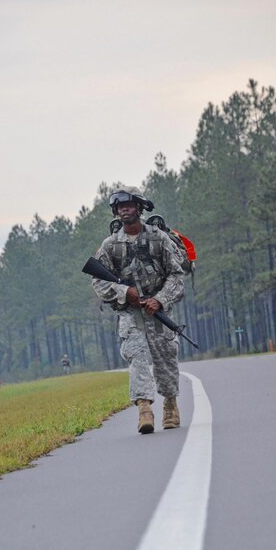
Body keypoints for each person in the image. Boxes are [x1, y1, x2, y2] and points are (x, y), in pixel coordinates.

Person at [91, 186, 185, 434]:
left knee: (166, 361)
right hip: (131, 316)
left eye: (129, 204)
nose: (124, 209)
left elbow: (177, 275)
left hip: (158, 314)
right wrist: (124, 293)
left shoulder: (158, 239)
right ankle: (144, 409)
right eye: (120, 206)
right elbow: (98, 281)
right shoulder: (110, 245)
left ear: (139, 208)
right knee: (138, 359)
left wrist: (161, 300)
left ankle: (171, 406)